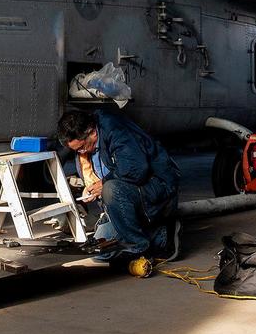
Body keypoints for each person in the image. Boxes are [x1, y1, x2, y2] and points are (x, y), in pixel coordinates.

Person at [57, 109, 181, 262]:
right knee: (100, 252)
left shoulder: (115, 129)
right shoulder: (88, 141)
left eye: (82, 147)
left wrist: (103, 184)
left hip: (158, 190)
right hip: (130, 195)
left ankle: (141, 246)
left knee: (111, 190)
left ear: (92, 132)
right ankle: (158, 233)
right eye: (77, 150)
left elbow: (135, 170)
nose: (81, 152)